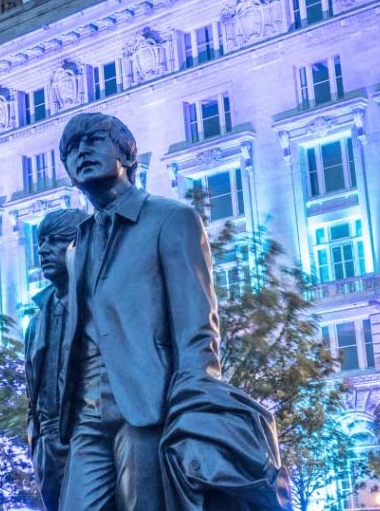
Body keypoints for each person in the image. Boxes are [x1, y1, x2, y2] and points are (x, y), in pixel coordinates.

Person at [57, 112, 222, 511]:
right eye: (71, 150)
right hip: (86, 413)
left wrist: (196, 407)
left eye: (93, 141)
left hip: (149, 403)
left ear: (128, 154)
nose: (81, 152)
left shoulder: (170, 218)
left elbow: (197, 326)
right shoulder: (76, 246)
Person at [24, 208, 89, 511]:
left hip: (86, 434)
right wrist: (34, 433)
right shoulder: (39, 317)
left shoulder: (96, 303)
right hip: (47, 443)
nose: (43, 250)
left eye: (54, 241)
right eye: (40, 242)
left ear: (79, 243)